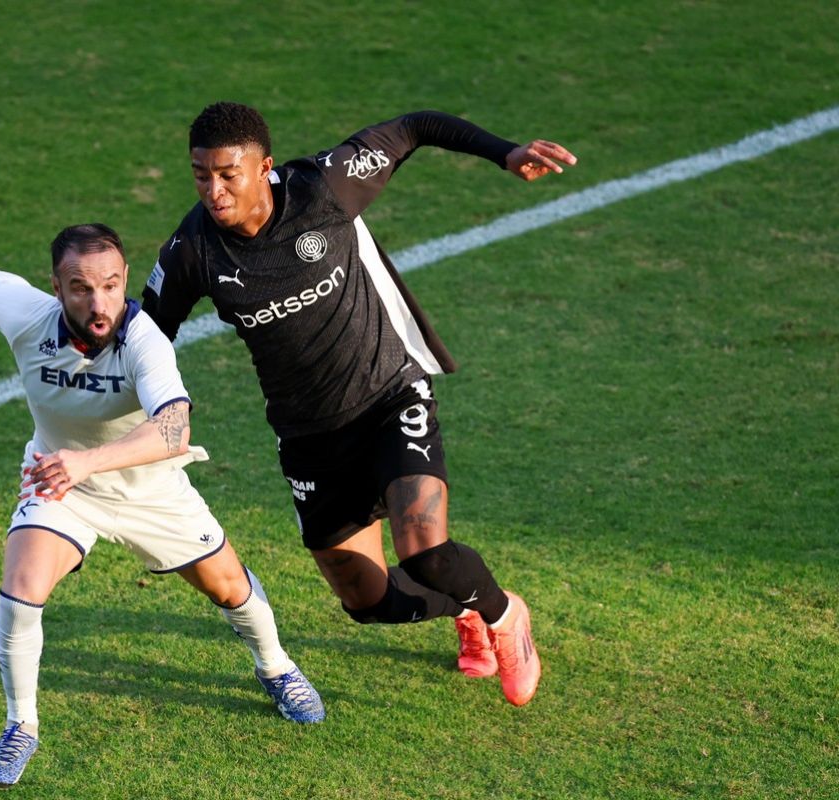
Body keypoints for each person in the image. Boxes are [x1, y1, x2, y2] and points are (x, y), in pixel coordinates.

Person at [0, 215, 325, 788]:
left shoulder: (145, 341)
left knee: (229, 588)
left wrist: (87, 461)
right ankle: (21, 725)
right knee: (21, 591)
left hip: (149, 490)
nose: (99, 303)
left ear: (124, 279)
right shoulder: (24, 313)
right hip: (60, 483)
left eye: (111, 285)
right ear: (56, 287)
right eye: (81, 288)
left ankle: (276, 666)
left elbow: (174, 429)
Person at [141, 102, 578, 708]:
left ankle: (505, 617)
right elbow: (147, 337)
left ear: (264, 168)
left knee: (425, 551)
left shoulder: (324, 186)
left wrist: (504, 152)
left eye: (227, 175)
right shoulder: (193, 250)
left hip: (389, 396)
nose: (213, 192)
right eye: (200, 176)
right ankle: (466, 609)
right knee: (365, 601)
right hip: (309, 438)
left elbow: (415, 127)